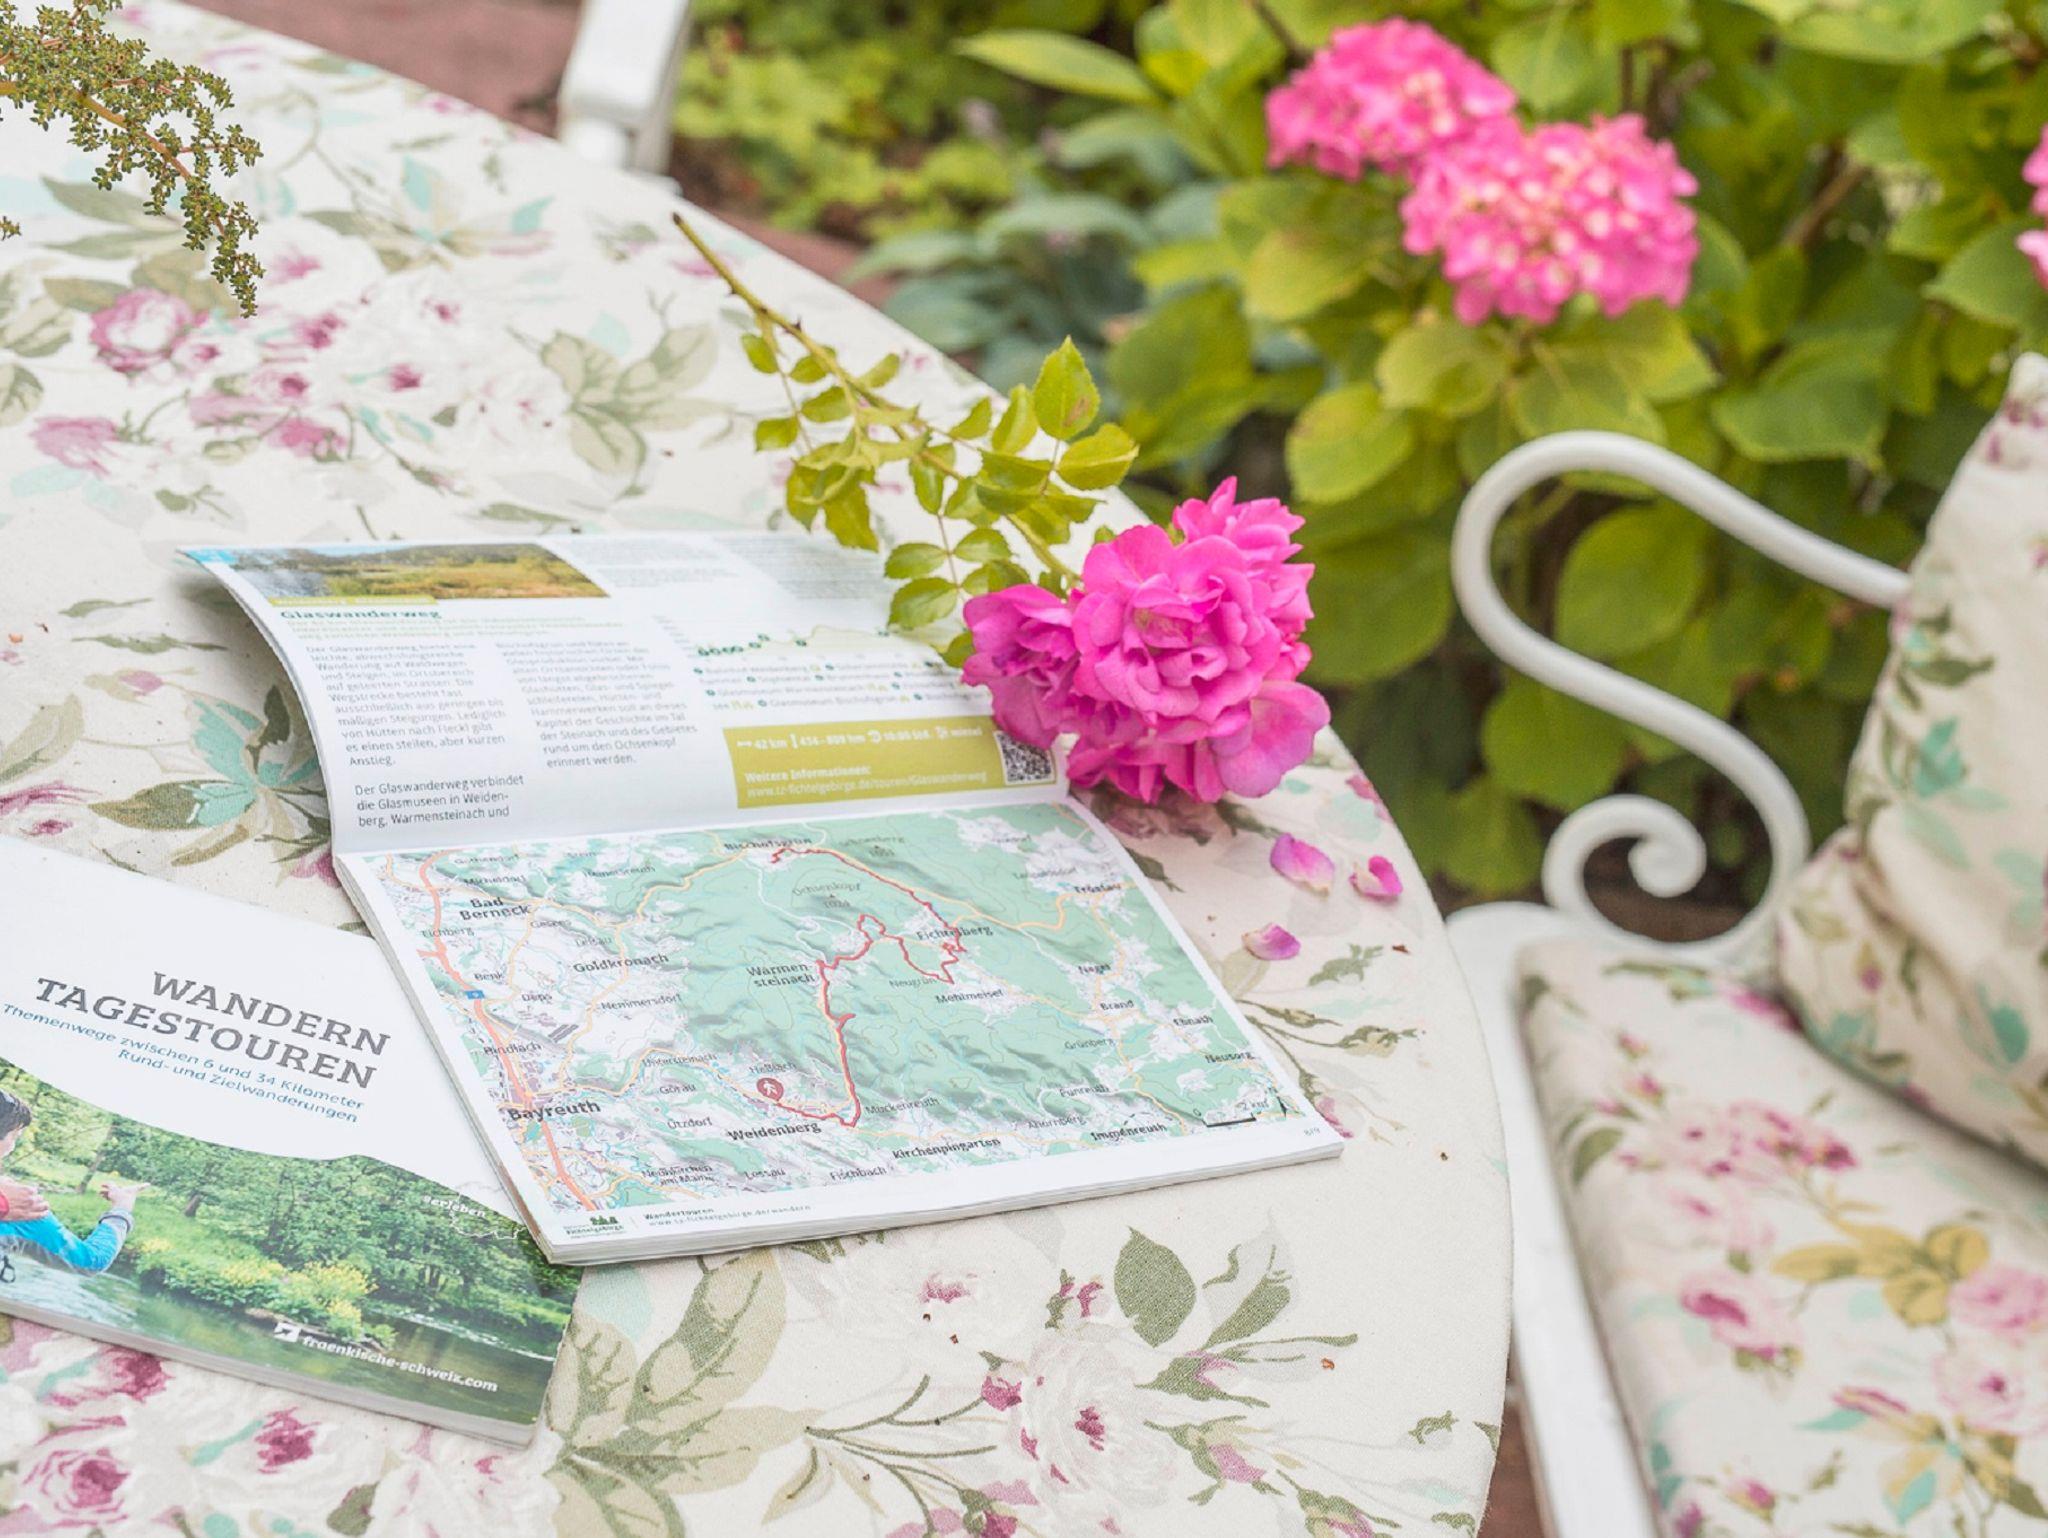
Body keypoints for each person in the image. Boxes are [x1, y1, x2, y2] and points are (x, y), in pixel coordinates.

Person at [0, 1089, 143, 1275]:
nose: (13, 1146)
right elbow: (92, 1260)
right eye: (15, 1137)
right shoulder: (23, 1204)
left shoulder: (13, 1200)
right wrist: (121, 1209)